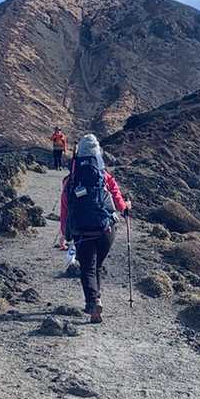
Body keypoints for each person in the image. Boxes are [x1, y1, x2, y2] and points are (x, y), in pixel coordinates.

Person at [59, 135, 131, 323]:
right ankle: (95, 299)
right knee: (96, 265)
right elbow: (118, 201)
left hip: (82, 230)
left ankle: (93, 302)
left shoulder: (71, 180)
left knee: (87, 268)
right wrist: (126, 207)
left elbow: (66, 207)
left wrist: (64, 233)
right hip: (105, 230)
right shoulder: (105, 177)